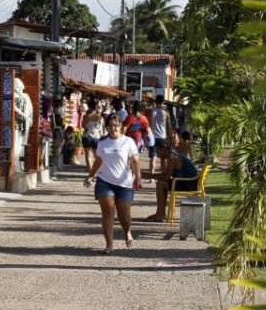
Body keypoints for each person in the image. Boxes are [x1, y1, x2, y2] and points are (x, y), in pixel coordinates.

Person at [83, 114, 141, 253]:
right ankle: (109, 245)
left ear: (120, 126)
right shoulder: (102, 143)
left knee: (124, 217)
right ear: (106, 127)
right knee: (108, 213)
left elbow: (135, 161)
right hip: (105, 181)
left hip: (124, 183)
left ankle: (127, 231)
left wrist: (138, 177)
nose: (113, 128)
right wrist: (90, 176)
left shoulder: (128, 142)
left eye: (115, 125)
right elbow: (98, 161)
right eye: (110, 125)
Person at [143, 139, 198, 221]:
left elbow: (166, 177)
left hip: (189, 184)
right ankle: (160, 213)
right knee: (161, 183)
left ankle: (160, 214)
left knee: (160, 184)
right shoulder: (171, 154)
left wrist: (148, 175)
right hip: (189, 182)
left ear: (164, 149)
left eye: (158, 152)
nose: (157, 155)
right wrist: (162, 160)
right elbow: (164, 173)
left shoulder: (172, 157)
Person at [147, 95, 172, 179]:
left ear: (155, 101)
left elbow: (149, 124)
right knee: (163, 158)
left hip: (153, 137)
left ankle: (151, 178)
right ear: (163, 102)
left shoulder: (151, 111)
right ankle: (164, 175)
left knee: (153, 157)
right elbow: (169, 126)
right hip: (162, 137)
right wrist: (171, 136)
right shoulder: (166, 112)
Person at [81, 97, 104, 172]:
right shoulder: (100, 117)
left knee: (88, 156)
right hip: (96, 138)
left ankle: (90, 172)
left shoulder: (85, 116)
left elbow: (83, 126)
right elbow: (102, 129)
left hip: (86, 136)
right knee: (97, 156)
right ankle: (98, 170)